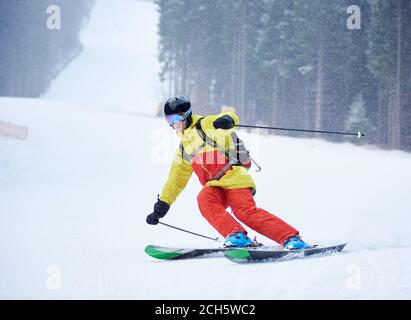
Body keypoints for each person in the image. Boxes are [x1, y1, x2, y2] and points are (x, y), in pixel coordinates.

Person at [146, 96, 309, 249]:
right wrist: (162, 206)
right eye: (169, 120)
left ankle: (291, 238)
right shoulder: (183, 149)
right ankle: (236, 235)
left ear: (187, 115)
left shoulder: (204, 125)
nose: (173, 124)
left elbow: (228, 117)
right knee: (204, 199)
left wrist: (227, 120)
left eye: (176, 118)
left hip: (235, 180)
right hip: (215, 187)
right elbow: (175, 181)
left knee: (244, 212)